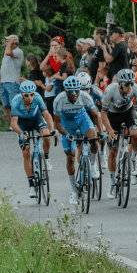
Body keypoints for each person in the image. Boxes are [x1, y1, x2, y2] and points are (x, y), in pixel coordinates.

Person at [53, 74, 103, 206]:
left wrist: (102, 132)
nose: (74, 94)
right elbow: (57, 123)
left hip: (82, 119)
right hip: (66, 124)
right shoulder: (59, 100)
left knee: (93, 138)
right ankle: (74, 191)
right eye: (71, 91)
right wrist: (65, 134)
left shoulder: (85, 96)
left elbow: (96, 116)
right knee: (71, 157)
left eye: (77, 90)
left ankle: (92, 165)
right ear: (66, 91)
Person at [98, 69, 137, 199]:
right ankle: (113, 182)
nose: (129, 87)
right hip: (113, 116)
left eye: (131, 83)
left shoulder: (135, 88)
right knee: (113, 151)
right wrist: (109, 130)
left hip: (128, 112)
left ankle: (133, 160)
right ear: (119, 83)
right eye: (126, 84)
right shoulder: (110, 90)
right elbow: (103, 114)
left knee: (136, 134)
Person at [10, 81, 54, 196]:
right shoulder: (15, 101)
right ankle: (31, 185)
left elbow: (47, 115)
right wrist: (21, 133)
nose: (30, 97)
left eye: (32, 94)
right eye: (26, 95)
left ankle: (47, 157)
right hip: (22, 123)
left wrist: (52, 129)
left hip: (36, 119)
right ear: (21, 94)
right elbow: (13, 123)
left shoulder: (38, 97)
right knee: (26, 151)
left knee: (46, 134)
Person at [0, 35, 26, 127]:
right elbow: (3, 66)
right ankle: (11, 125)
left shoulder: (18, 51)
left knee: (14, 104)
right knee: (6, 105)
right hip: (4, 81)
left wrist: (10, 43)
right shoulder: (6, 52)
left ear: (14, 41)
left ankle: (17, 124)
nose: (6, 41)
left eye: (8, 40)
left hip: (12, 82)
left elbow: (9, 52)